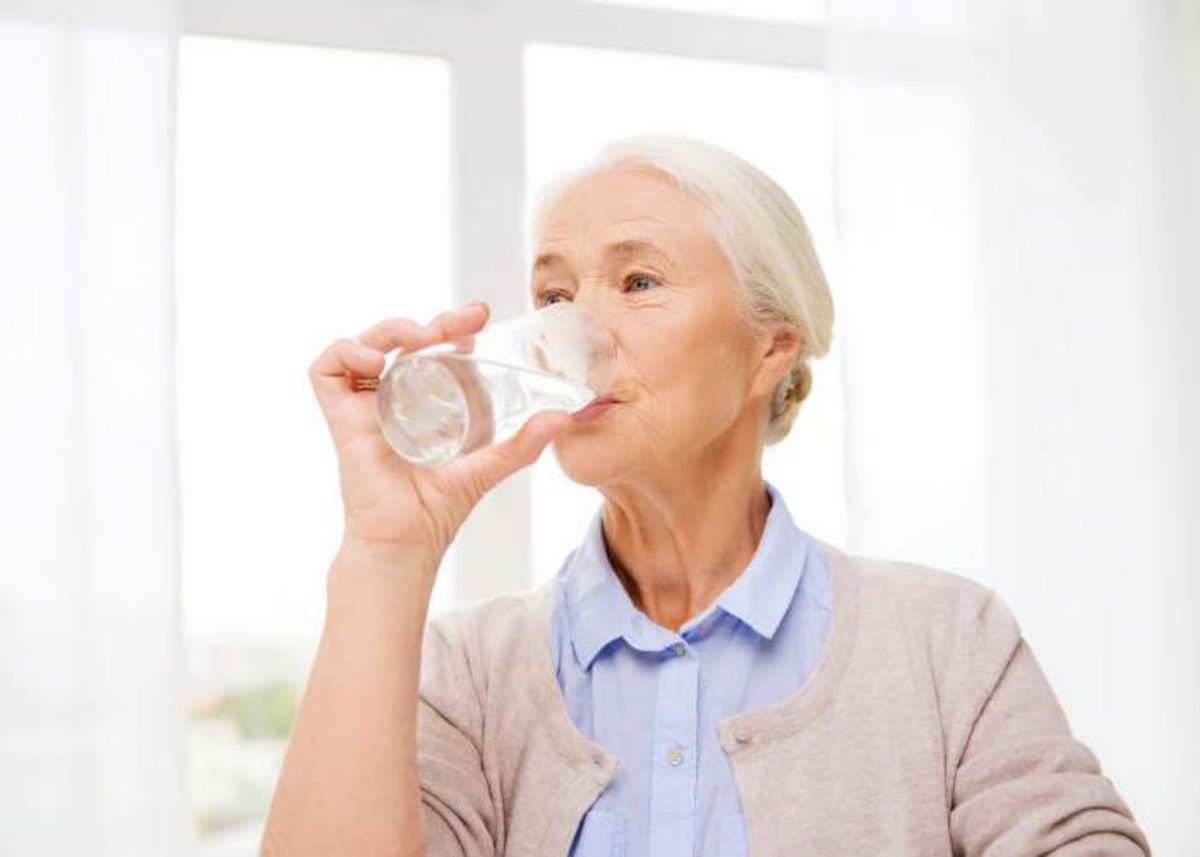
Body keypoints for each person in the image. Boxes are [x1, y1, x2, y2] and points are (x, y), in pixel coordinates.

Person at [260, 135, 1150, 856]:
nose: (574, 333)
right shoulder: (470, 670)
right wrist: (385, 551)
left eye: (638, 281)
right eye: (554, 293)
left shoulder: (947, 641)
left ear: (770, 348)